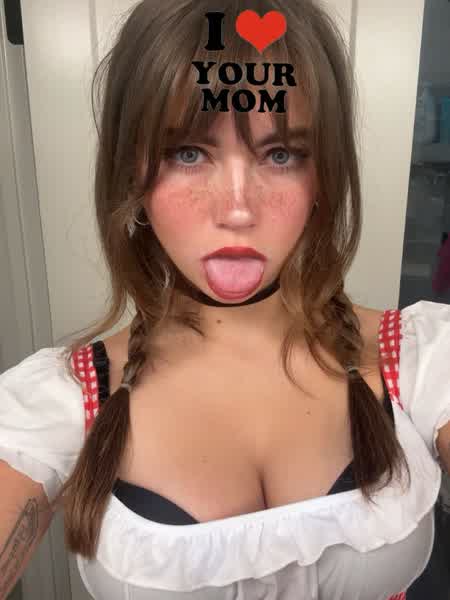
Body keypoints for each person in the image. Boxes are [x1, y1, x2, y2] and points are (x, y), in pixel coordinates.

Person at [1, 1, 450, 598]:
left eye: (280, 155)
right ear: (132, 174)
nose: (238, 209)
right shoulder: (62, 400)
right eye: (188, 153)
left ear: (324, 176)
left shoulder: (418, 358)